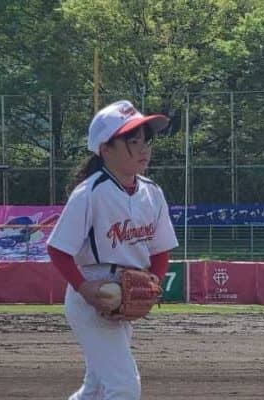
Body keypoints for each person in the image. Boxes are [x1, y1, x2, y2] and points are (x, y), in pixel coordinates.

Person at [47, 100, 178, 400]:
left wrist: (154, 282)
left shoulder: (152, 192)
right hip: (94, 293)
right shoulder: (90, 192)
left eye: (146, 140)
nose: (143, 149)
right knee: (124, 387)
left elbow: (160, 251)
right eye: (132, 141)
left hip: (127, 292)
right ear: (106, 149)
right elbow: (57, 249)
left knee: (95, 389)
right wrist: (84, 288)